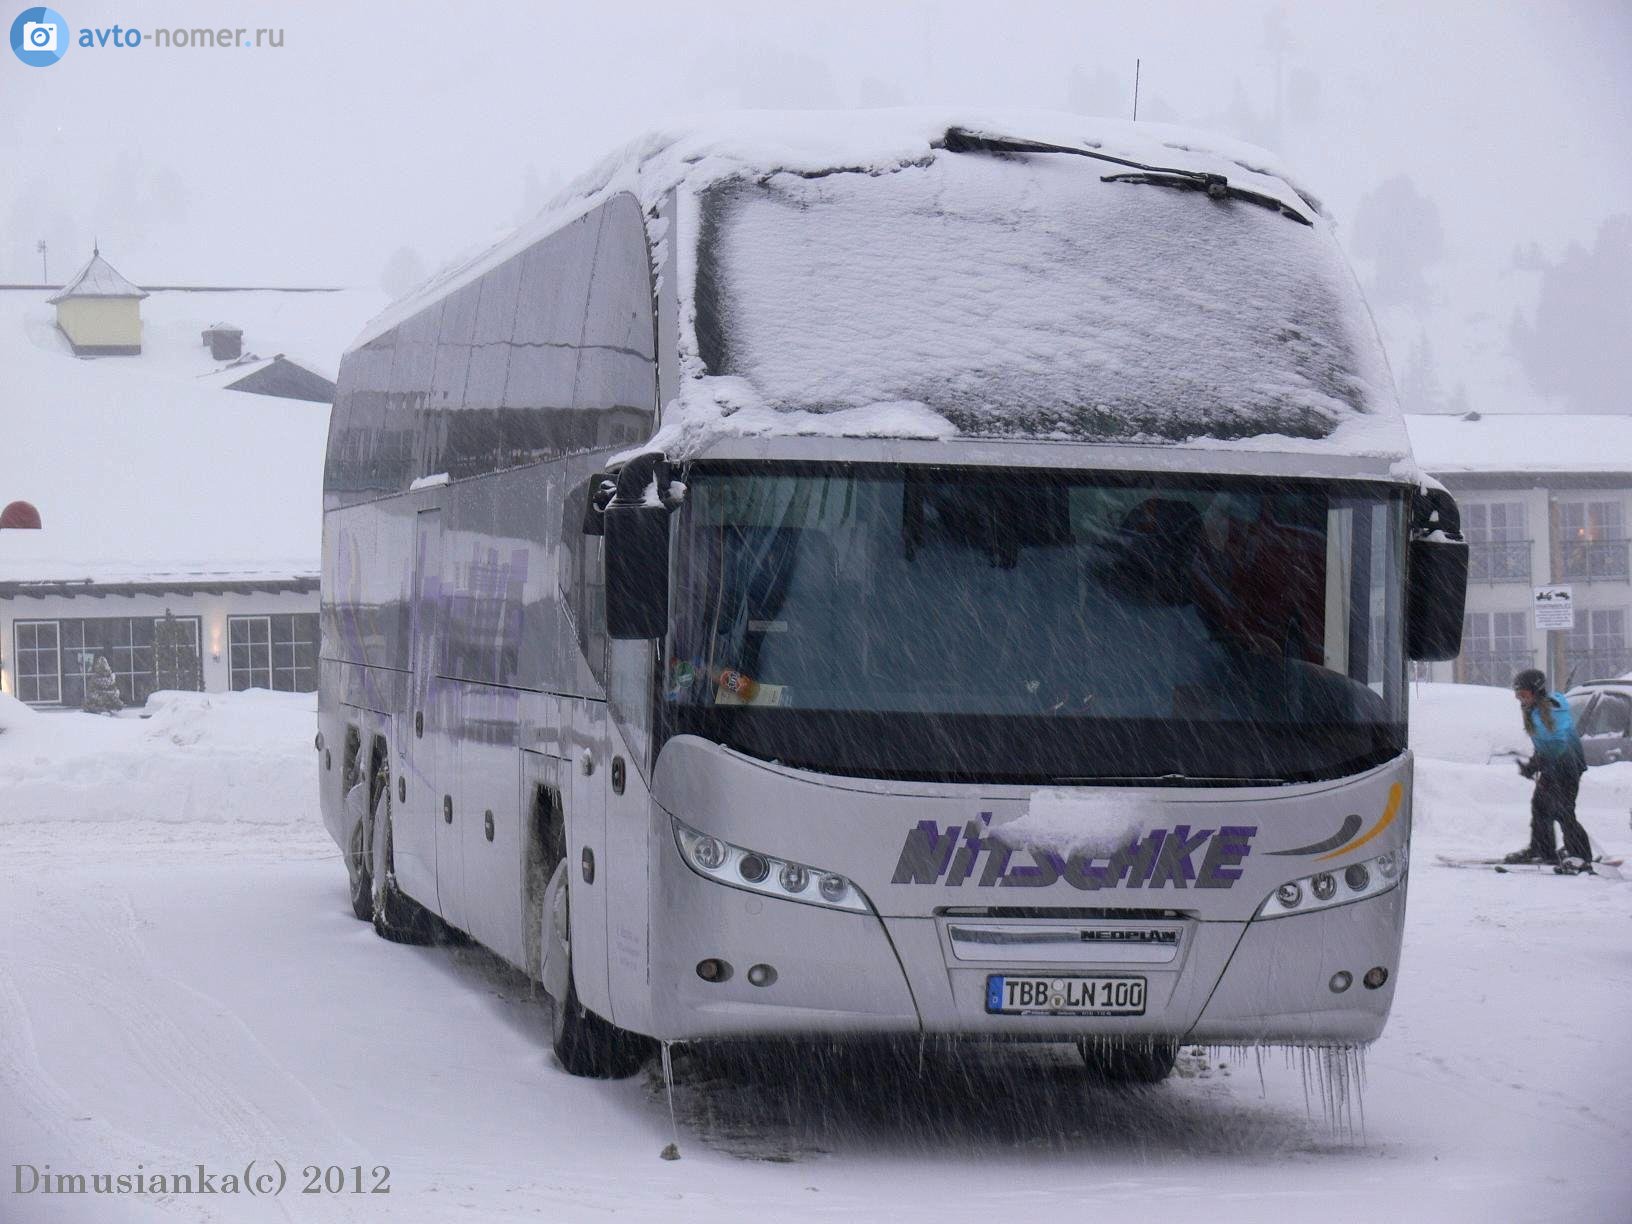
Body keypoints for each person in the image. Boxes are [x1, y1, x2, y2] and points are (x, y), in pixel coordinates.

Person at [1505, 669, 1591, 867]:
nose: (1520, 700)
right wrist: (1532, 765)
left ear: (1537, 692)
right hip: (1552, 767)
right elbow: (1544, 744)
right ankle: (1542, 851)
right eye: (1518, 696)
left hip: (1568, 767)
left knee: (1563, 811)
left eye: (1524, 695)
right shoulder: (1533, 711)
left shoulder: (1552, 709)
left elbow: (1558, 744)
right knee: (1540, 807)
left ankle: (1581, 856)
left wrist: (1539, 763)